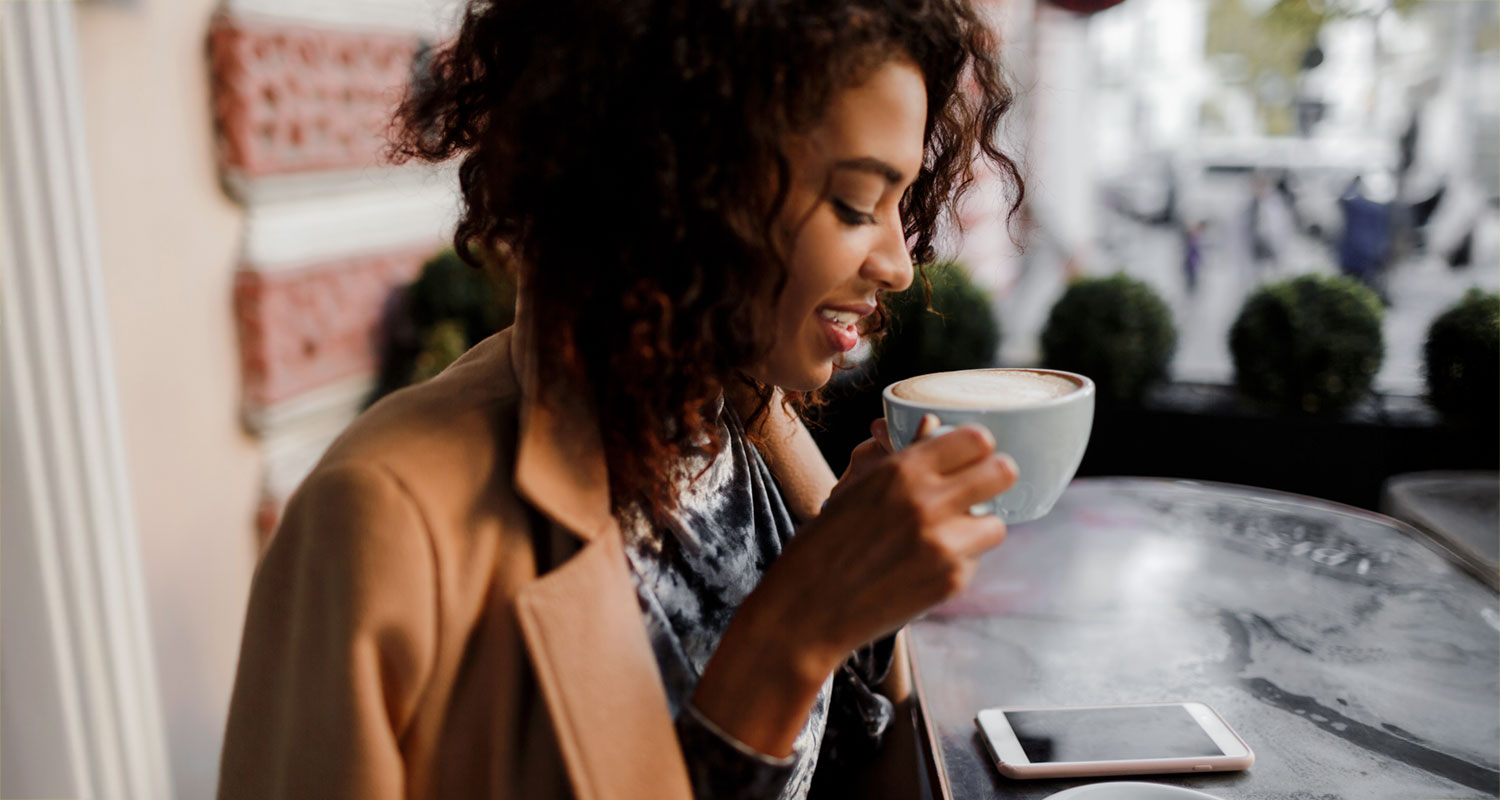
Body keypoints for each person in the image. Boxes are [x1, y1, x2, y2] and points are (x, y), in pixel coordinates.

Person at [216, 1, 1023, 798]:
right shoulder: (381, 519)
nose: (898, 264)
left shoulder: (742, 421)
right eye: (855, 203)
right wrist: (795, 632)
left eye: (901, 202)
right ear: (685, 180)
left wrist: (869, 597)